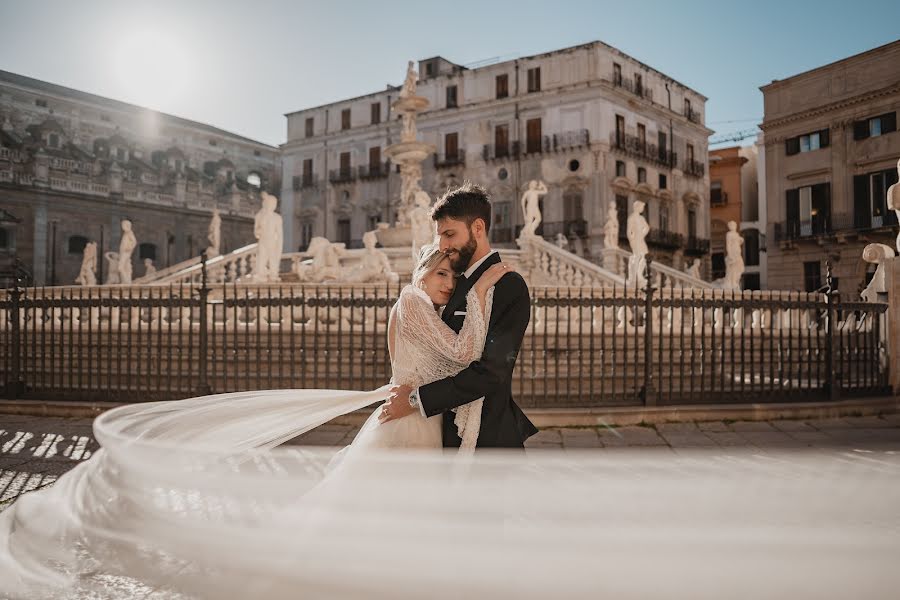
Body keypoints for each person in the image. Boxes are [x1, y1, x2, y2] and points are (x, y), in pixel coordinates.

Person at [382, 182, 538, 448]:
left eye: (450, 234)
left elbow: (491, 372)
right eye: (440, 236)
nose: (442, 245)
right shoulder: (453, 284)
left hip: (487, 441)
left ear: (478, 228)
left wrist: (415, 399)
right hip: (440, 432)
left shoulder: (507, 285)